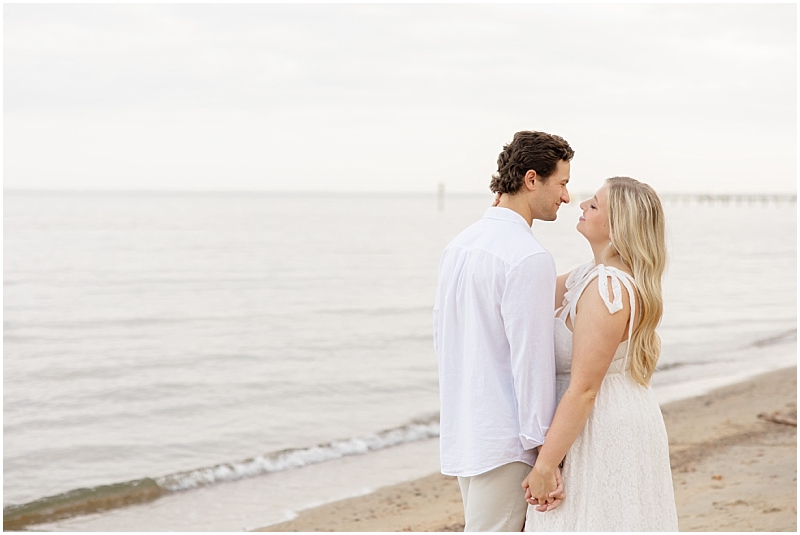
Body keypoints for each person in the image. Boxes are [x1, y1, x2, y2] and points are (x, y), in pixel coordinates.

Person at [520, 177, 679, 531]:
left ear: (617, 224)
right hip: (612, 412)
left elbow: (584, 389)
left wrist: (546, 465)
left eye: (593, 205)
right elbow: (523, 290)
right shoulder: (587, 276)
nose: (580, 206)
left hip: (600, 425)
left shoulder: (607, 287)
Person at [433, 130, 573, 532]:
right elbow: (531, 362)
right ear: (532, 179)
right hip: (508, 441)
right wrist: (545, 454)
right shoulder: (528, 256)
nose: (566, 196)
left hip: (465, 428)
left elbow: (444, 341)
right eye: (561, 183)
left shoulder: (459, 245)